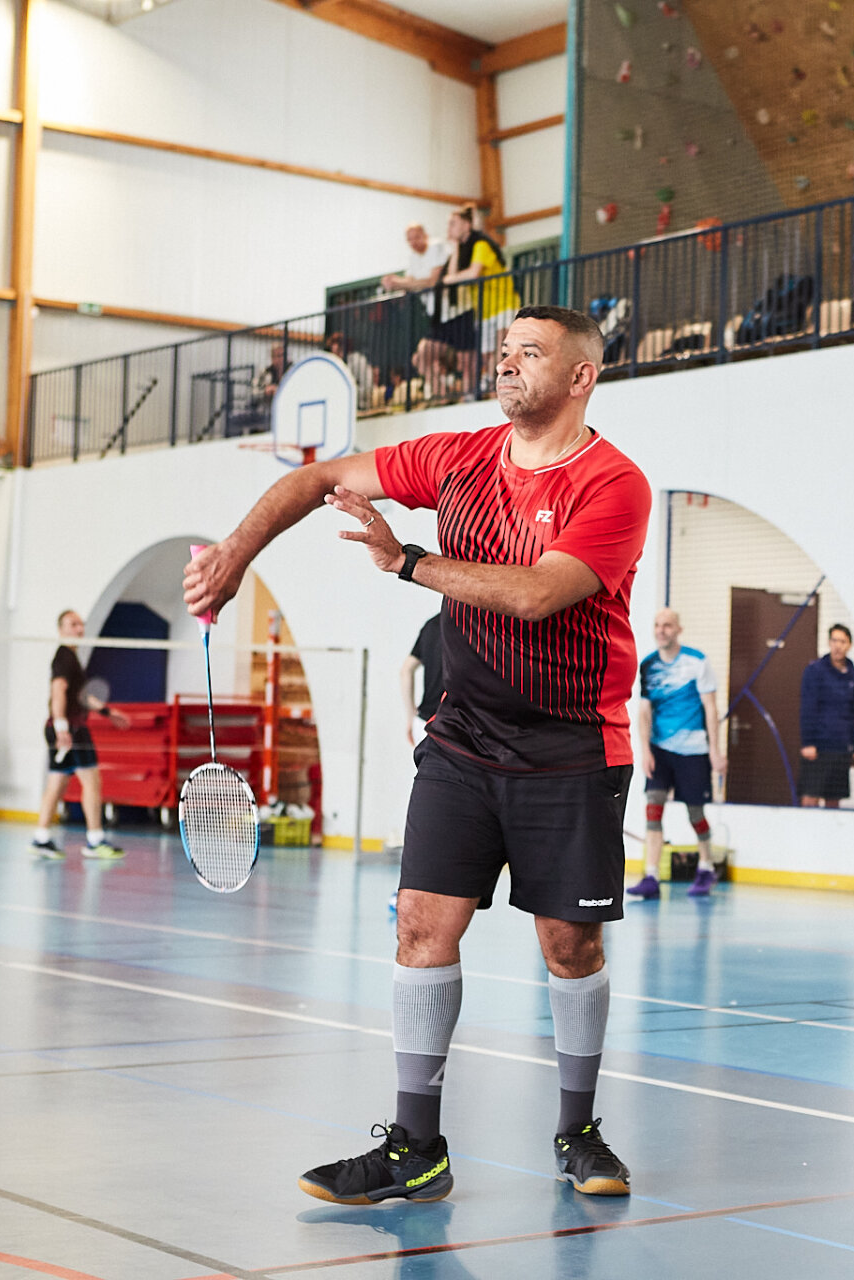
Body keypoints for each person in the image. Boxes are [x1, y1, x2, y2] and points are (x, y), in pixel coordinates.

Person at [184, 305, 650, 1205]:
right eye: (504, 351)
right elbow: (319, 475)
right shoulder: (458, 458)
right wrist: (237, 553)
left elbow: (539, 593)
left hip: (573, 749)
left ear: (581, 376)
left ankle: (579, 1129)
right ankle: (417, 1147)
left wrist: (408, 564)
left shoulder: (613, 485)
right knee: (420, 928)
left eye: (530, 353)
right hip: (462, 741)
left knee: (570, 946)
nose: (507, 364)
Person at [629, 608, 727, 899]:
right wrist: (645, 750)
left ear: (678, 629)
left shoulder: (697, 661)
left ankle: (706, 867)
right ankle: (651, 876)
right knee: (653, 806)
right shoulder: (648, 665)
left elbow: (710, 708)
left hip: (693, 750)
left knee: (695, 812)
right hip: (660, 751)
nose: (661, 630)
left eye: (667, 625)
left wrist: (715, 751)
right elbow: (644, 711)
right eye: (657, 625)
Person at [31, 610, 128, 859]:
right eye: (73, 624)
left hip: (63, 727)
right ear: (61, 629)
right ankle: (95, 840)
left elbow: (82, 696)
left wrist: (108, 712)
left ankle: (40, 838)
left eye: (81, 624)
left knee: (57, 783)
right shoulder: (64, 657)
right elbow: (58, 691)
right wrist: (62, 727)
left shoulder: (71, 658)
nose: (79, 628)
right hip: (71, 730)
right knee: (92, 781)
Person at [436, 204, 517, 402]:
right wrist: (455, 248)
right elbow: (452, 277)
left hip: (502, 304)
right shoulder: (464, 251)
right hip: (484, 310)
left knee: (500, 348)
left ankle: (489, 386)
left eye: (453, 223)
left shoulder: (481, 245)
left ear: (466, 225)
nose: (449, 228)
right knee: (488, 355)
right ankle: (489, 387)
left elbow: (473, 273)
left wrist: (450, 279)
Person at [381, 221, 453, 401]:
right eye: (410, 239)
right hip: (436, 316)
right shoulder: (413, 258)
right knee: (420, 360)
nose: (414, 242)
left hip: (451, 312)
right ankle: (443, 395)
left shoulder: (436, 247)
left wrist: (401, 283)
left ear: (425, 235)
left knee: (460, 359)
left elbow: (432, 281)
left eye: (417, 237)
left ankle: (448, 395)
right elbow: (410, 283)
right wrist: (394, 283)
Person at [798, 625, 854, 809]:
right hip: (819, 747)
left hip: (841, 747)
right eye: (834, 640)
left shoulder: (852, 675)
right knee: (811, 798)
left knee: (834, 800)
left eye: (842, 641)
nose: (837, 646)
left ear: (849, 645)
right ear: (829, 642)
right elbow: (808, 708)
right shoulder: (815, 671)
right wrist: (808, 742)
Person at [400, 613, 444, 747]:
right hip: (449, 727)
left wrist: (411, 718)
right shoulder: (470, 627)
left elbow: (406, 670)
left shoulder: (431, 625)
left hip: (423, 723)